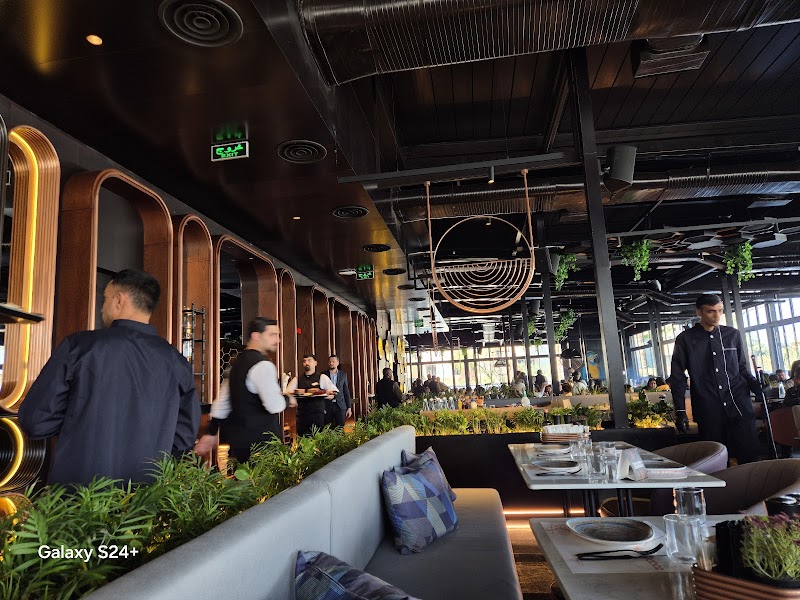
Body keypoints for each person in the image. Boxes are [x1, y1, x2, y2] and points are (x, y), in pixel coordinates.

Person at [18, 269, 200, 486]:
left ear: (119, 300)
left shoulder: (80, 347)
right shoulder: (176, 362)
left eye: (104, 299)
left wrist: (79, 422)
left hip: (80, 495)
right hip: (145, 498)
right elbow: (183, 439)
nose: (102, 307)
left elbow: (35, 420)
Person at [669, 294, 764, 464]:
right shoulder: (686, 339)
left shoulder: (733, 335)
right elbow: (677, 377)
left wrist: (757, 387)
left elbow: (742, 368)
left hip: (738, 403)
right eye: (711, 311)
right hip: (708, 407)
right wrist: (680, 411)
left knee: (749, 455)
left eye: (720, 311)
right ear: (699, 312)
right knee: (715, 459)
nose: (717, 315)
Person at [194, 318, 292, 464]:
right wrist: (288, 399)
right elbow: (274, 405)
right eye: (272, 335)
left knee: (241, 477)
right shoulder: (263, 365)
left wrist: (211, 431)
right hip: (263, 446)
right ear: (256, 336)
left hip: (239, 444)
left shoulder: (235, 364)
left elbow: (222, 404)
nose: (277, 340)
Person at [285, 354, 338, 436]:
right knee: (303, 439)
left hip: (317, 415)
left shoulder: (322, 377)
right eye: (304, 361)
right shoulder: (297, 379)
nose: (306, 363)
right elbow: (287, 393)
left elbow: (333, 392)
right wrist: (292, 399)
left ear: (315, 363)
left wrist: (325, 394)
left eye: (309, 360)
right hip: (302, 415)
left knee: (318, 439)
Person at [322, 354, 352, 428]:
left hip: (340, 406)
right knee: (327, 428)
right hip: (327, 405)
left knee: (340, 428)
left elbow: (346, 391)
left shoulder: (343, 375)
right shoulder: (323, 375)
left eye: (333, 361)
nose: (331, 363)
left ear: (338, 363)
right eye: (329, 362)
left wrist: (349, 407)